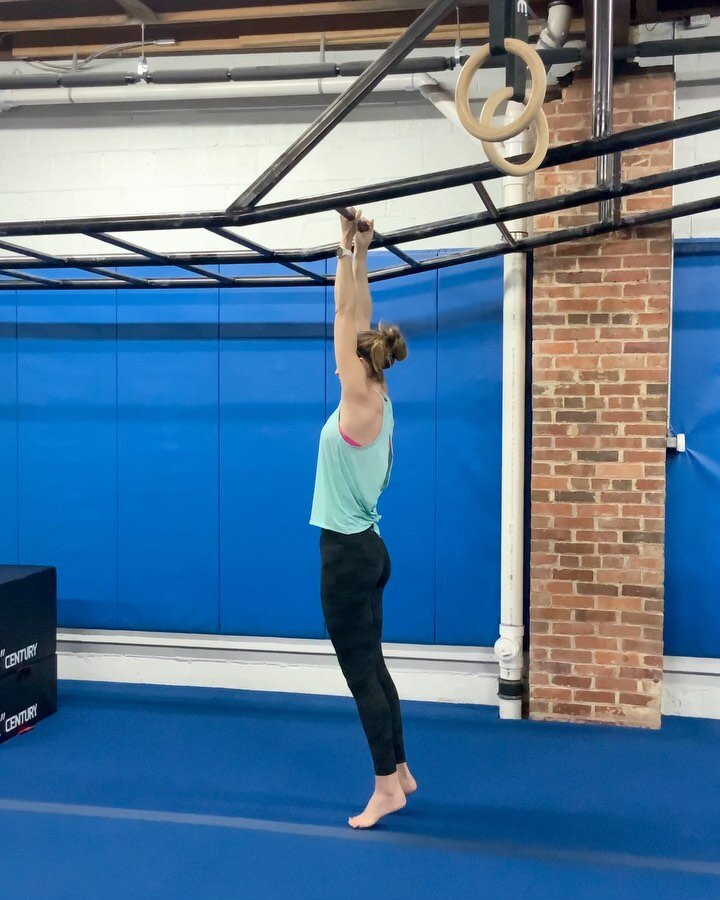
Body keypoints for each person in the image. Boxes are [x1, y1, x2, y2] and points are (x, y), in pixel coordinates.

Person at [310, 207, 416, 829]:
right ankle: (400, 767)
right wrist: (355, 250)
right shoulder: (378, 394)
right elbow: (356, 313)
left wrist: (349, 251)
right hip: (370, 549)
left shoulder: (356, 400)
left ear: (357, 362)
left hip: (347, 556)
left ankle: (384, 786)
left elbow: (345, 318)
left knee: (361, 675)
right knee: (375, 664)